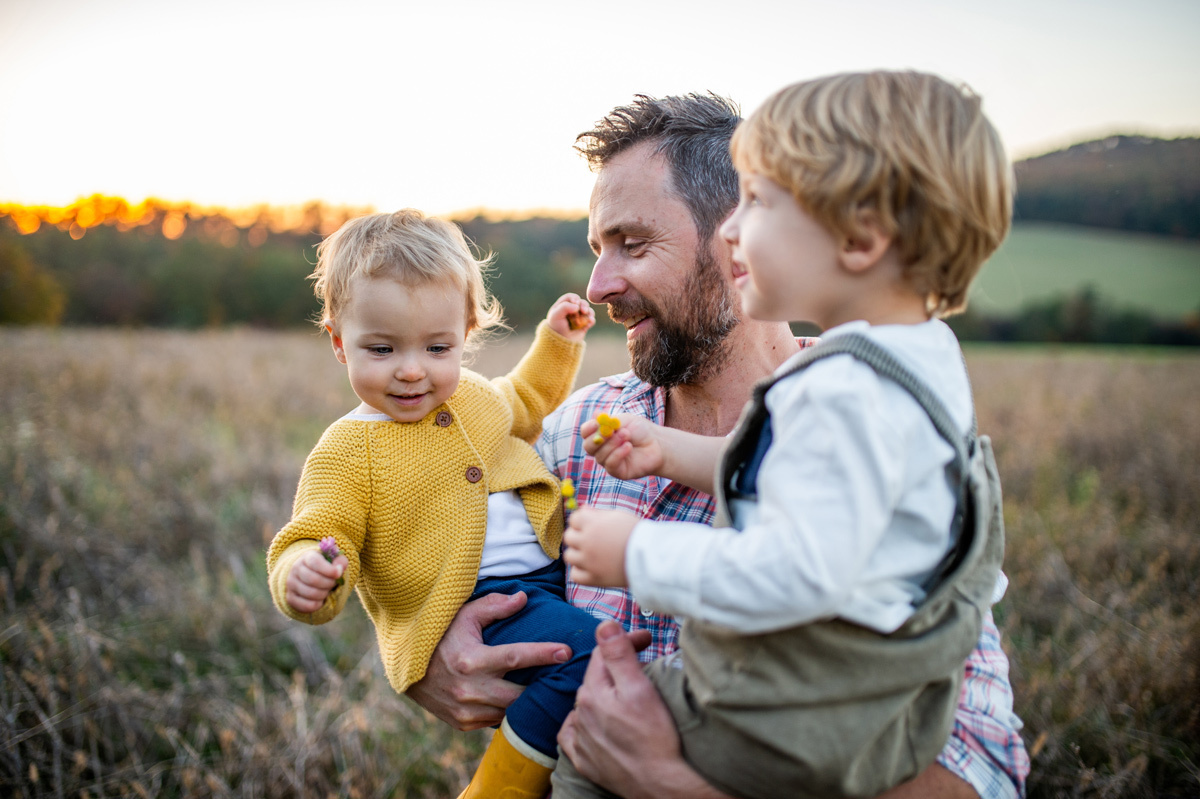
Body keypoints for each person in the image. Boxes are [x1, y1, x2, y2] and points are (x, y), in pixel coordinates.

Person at [406, 94, 1031, 799]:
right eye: (597, 250)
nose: (598, 285)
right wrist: (425, 649)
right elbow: (436, 540)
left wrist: (666, 785)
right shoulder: (576, 432)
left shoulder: (888, 431)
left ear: (735, 239)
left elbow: (981, 768)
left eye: (632, 244)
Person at [264, 208, 601, 799]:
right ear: (341, 344)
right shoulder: (349, 448)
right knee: (592, 653)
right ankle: (500, 786)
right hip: (480, 601)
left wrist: (558, 341)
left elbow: (525, 399)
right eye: (383, 349)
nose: (413, 371)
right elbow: (314, 532)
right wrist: (305, 574)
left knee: (608, 651)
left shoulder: (472, 397)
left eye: (437, 347)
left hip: (548, 576)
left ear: (466, 335)